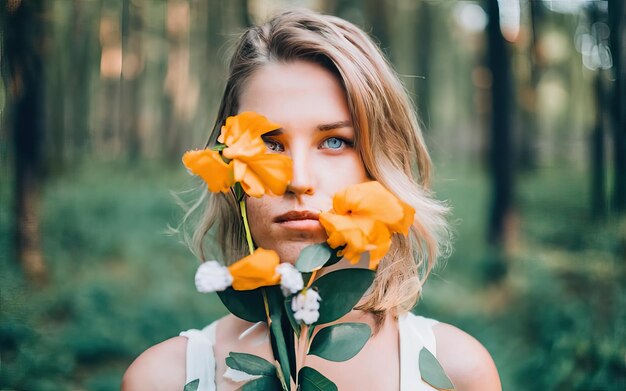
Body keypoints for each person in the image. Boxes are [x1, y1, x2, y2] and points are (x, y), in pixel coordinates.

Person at [122, 8, 501, 391]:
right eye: (271, 144)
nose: (298, 180)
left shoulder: (458, 373)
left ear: (382, 161)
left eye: (335, 141)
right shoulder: (162, 379)